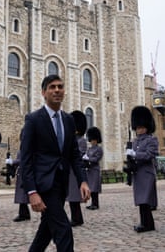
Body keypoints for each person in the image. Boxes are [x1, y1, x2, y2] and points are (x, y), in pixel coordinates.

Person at [20, 74, 90, 252]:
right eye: (52, 87)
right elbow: (26, 159)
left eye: (60, 86)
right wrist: (32, 191)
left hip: (60, 184)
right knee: (63, 229)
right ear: (44, 92)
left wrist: (82, 180)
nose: (57, 90)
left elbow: (74, 154)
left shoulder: (68, 120)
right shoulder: (33, 119)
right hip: (43, 184)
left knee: (46, 230)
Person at [126, 106, 158, 233]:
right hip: (138, 173)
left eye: (142, 127)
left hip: (146, 173)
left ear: (147, 127)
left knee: (145, 200)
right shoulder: (135, 141)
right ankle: (144, 223)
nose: (139, 130)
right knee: (140, 200)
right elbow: (133, 156)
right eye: (138, 128)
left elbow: (151, 154)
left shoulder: (151, 139)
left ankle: (148, 224)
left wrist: (135, 155)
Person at [66, 110, 88, 226]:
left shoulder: (81, 141)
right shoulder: (73, 140)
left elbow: (78, 155)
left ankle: (77, 218)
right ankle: (76, 217)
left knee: (74, 196)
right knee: (71, 197)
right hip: (70, 171)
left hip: (76, 172)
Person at [7, 150, 31, 222]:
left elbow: (23, 160)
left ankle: (23, 214)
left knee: (22, 194)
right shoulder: (20, 150)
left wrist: (13, 161)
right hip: (20, 172)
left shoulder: (26, 149)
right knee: (21, 195)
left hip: (24, 173)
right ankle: (24, 213)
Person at [84, 126, 103, 210]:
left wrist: (89, 159)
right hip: (89, 170)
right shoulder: (89, 149)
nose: (92, 142)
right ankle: (92, 203)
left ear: (97, 140)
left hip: (95, 170)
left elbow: (96, 158)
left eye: (94, 140)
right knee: (91, 187)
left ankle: (96, 204)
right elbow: (86, 156)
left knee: (94, 188)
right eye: (91, 140)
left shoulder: (99, 149)